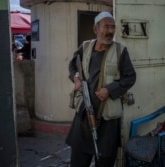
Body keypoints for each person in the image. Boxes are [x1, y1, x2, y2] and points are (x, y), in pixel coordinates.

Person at [66, 11, 136, 167]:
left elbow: (130, 77)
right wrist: (76, 79)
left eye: (113, 27)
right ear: (95, 29)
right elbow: (72, 66)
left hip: (108, 119)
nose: (110, 31)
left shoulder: (120, 51)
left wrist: (110, 90)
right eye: (106, 27)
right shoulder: (84, 47)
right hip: (84, 114)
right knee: (78, 160)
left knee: (105, 160)